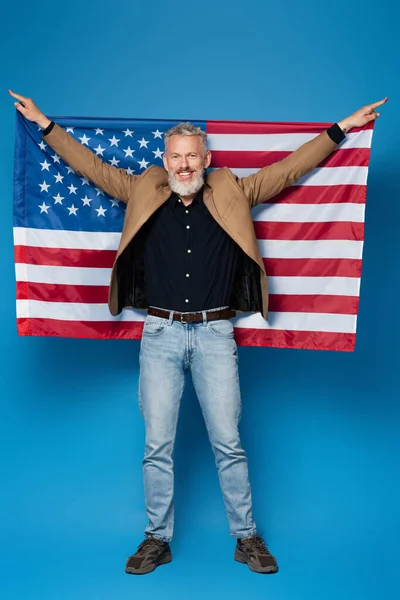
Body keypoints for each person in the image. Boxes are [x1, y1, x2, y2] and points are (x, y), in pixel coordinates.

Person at [8, 89, 387, 575]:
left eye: (193, 156)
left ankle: (246, 536)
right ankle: (156, 539)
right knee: (157, 445)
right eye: (176, 157)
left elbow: (290, 169)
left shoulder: (231, 187)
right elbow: (92, 167)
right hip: (160, 334)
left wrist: (342, 127)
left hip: (215, 336)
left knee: (228, 440)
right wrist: (43, 124)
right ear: (165, 160)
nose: (184, 165)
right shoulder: (144, 187)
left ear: (206, 159)